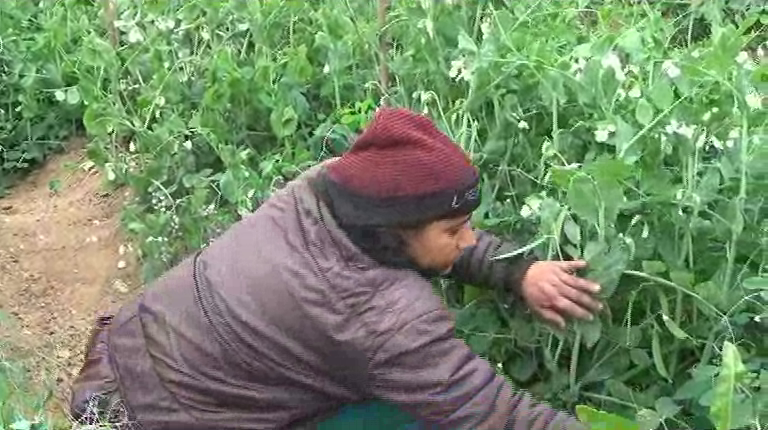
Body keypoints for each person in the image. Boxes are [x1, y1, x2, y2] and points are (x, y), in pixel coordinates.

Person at [69, 107, 602, 429]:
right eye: (455, 231)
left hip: (127, 354)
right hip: (157, 419)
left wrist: (517, 272)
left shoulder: (326, 189)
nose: (467, 241)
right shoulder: (379, 317)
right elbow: (496, 416)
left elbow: (427, 226)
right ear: (396, 226)